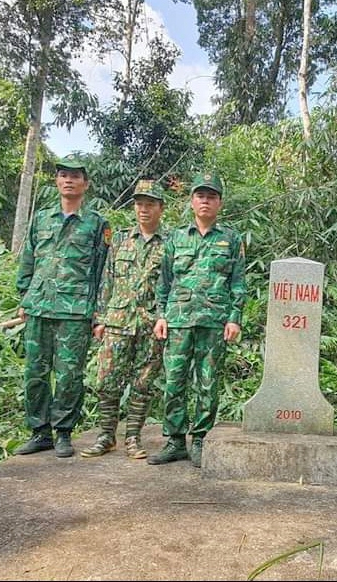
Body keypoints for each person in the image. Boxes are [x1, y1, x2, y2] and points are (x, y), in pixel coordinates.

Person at [14, 156, 111, 458]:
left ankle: (63, 433)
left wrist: (98, 312)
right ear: (56, 181)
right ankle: (39, 432)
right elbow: (28, 259)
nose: (68, 180)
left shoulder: (97, 224)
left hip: (75, 310)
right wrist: (24, 297)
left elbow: (102, 270)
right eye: (63, 175)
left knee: (69, 374)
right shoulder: (41, 219)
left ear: (86, 183)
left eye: (75, 176)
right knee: (35, 373)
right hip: (39, 307)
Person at [149, 172, 246, 468]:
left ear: (220, 203)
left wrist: (234, 318)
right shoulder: (176, 238)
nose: (205, 201)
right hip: (178, 321)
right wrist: (161, 316)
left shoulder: (231, 239)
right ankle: (175, 441)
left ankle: (201, 439)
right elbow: (164, 282)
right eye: (200, 196)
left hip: (214, 322)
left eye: (211, 196)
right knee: (175, 381)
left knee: (207, 383)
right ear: (191, 201)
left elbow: (238, 283)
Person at [80, 180, 168, 460]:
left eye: (150, 204)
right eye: (140, 203)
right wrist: (100, 318)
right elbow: (107, 279)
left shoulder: (170, 244)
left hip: (149, 322)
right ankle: (106, 436)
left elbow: (172, 284)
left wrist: (163, 317)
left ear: (160, 208)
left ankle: (132, 437)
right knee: (107, 380)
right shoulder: (119, 240)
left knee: (143, 383)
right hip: (117, 320)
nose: (144, 209)